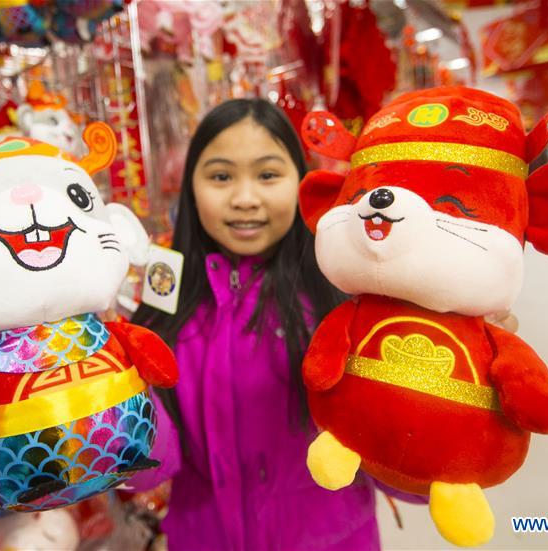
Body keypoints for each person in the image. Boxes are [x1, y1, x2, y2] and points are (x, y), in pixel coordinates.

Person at [130, 98, 424, 550]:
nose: (245, 199)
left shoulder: (344, 301)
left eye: (268, 175)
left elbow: (406, 472)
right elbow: (149, 470)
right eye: (221, 177)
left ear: (302, 182)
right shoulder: (166, 304)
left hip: (329, 539)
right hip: (202, 536)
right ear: (191, 189)